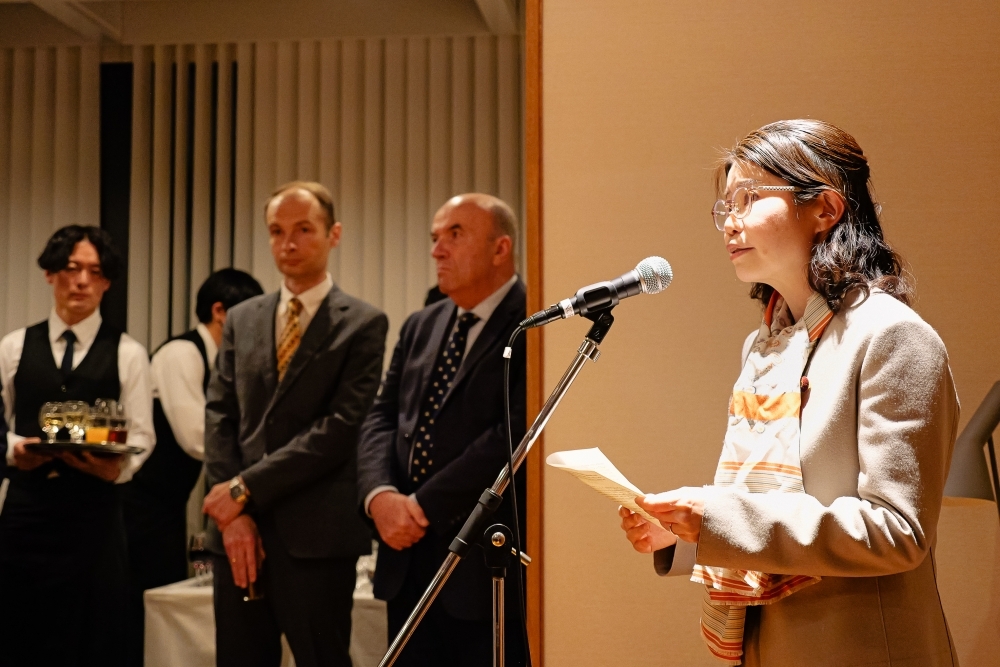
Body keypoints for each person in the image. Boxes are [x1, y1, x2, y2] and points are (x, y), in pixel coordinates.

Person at [618, 120, 960, 667]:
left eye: (749, 199)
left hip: (860, 647)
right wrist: (683, 534)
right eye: (724, 207)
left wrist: (716, 517)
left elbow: (897, 532)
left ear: (825, 208)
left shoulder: (891, 337)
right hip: (770, 643)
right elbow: (758, 504)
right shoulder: (767, 344)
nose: (730, 222)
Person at [203, 181, 388, 667]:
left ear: (334, 235)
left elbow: (341, 428)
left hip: (315, 537)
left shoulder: (363, 323)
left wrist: (244, 488)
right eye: (277, 231)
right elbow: (220, 414)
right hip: (237, 533)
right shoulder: (243, 318)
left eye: (304, 229)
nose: (288, 243)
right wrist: (234, 511)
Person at [357, 193, 527, 667]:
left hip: (478, 565)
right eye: (434, 238)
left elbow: (510, 435)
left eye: (455, 235)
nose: (437, 250)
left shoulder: (531, 321)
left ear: (501, 249)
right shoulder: (421, 324)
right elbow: (381, 416)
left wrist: (420, 505)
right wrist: (380, 497)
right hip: (404, 559)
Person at [0, 225, 155, 667]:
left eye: (94, 271)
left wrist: (114, 468)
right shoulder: (13, 348)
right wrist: (15, 450)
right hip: (26, 513)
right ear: (51, 274)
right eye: (71, 269)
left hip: (95, 518)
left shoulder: (128, 353)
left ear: (107, 282)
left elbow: (142, 436)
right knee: (19, 633)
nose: (82, 281)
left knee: (95, 638)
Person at [121, 268, 263, 666]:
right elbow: (196, 437)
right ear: (221, 312)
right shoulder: (180, 353)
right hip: (136, 504)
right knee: (143, 606)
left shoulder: (222, 361)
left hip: (165, 506)